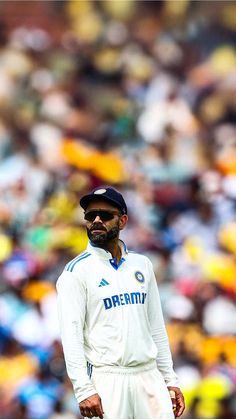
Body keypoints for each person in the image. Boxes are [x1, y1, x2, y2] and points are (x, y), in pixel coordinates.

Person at [56, 186, 185, 419]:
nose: (96, 220)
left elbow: (155, 326)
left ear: (122, 221)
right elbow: (71, 335)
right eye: (90, 215)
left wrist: (169, 379)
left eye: (105, 215)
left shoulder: (142, 265)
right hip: (107, 380)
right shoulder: (75, 272)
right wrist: (84, 389)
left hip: (149, 375)